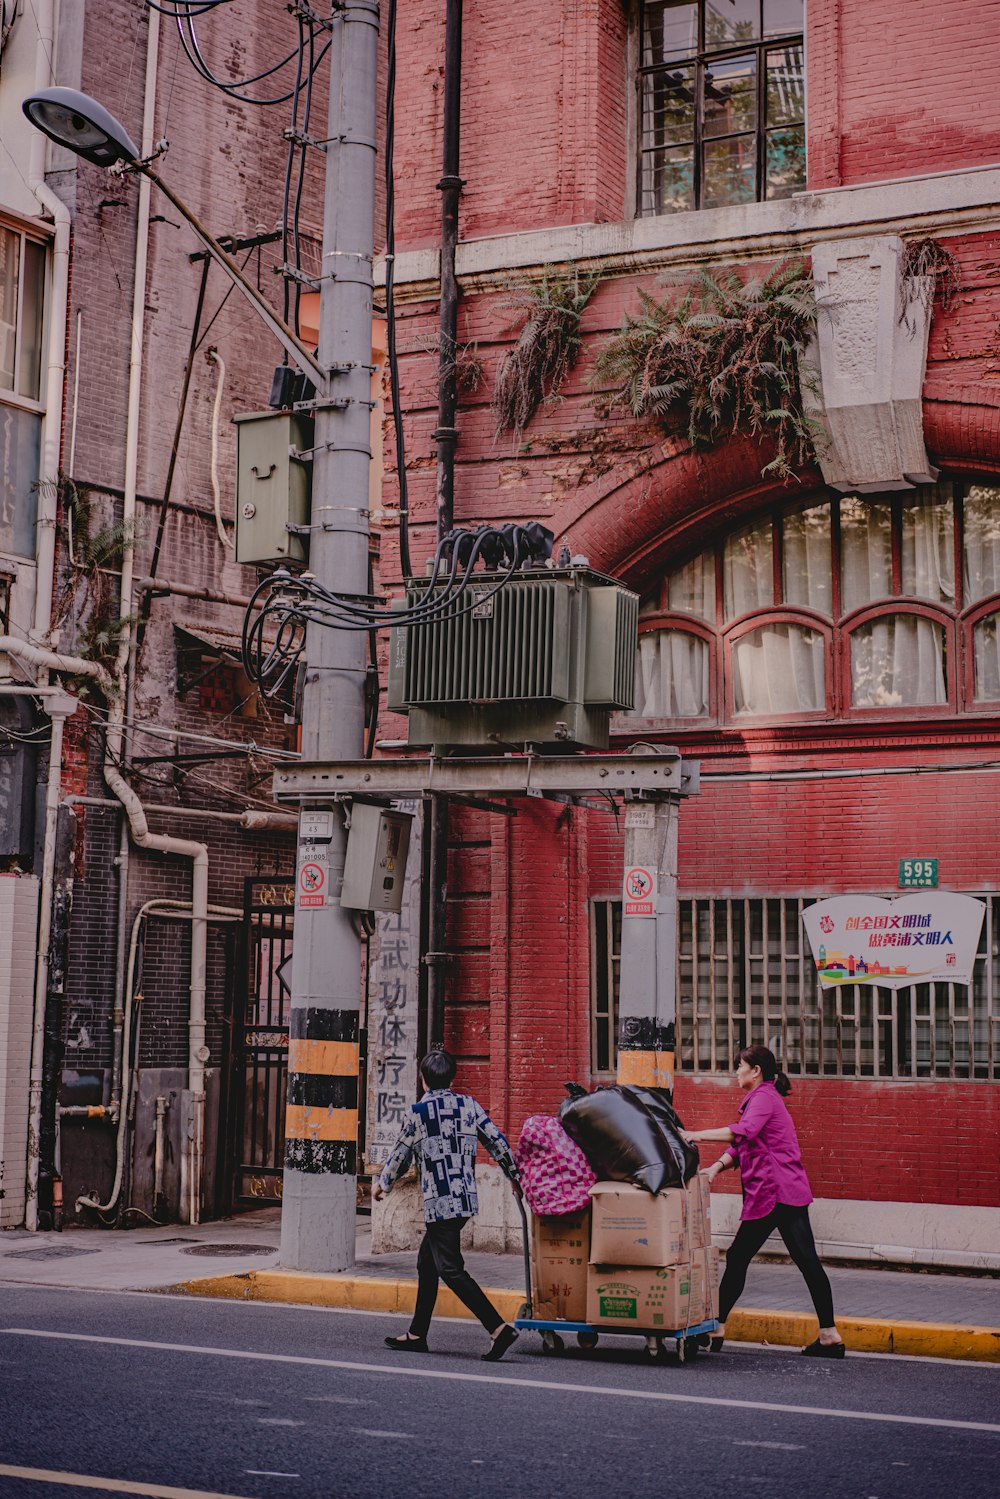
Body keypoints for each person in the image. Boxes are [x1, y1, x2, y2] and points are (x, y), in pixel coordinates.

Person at [680, 1044, 845, 1359]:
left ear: (755, 1071)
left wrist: (696, 1134)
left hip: (773, 1192)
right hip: (784, 1192)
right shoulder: (763, 1098)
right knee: (806, 1262)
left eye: (740, 1066)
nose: (736, 1072)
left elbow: (745, 1131)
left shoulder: (764, 1098)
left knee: (740, 1256)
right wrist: (717, 1167)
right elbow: (746, 1143)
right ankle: (829, 1334)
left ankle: (715, 1326)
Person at [372, 1046, 523, 1361]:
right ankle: (416, 1334)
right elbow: (496, 1140)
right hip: (464, 1199)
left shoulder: (419, 1112)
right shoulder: (469, 1105)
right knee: (427, 1264)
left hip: (440, 1202)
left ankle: (498, 1328)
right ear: (452, 1078)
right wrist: (513, 1174)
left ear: (423, 1080)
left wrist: (381, 1184)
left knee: (451, 1270)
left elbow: (400, 1154)